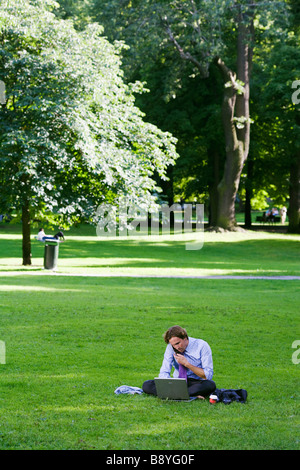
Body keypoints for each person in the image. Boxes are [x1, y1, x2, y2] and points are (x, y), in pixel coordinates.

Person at [142, 325, 216, 399]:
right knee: (147, 385)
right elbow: (164, 371)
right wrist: (165, 384)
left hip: (196, 382)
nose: (176, 347)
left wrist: (187, 364)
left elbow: (208, 375)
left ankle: (173, 394)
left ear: (184, 337)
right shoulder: (171, 347)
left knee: (210, 385)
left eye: (178, 343)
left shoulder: (202, 346)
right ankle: (187, 394)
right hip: (177, 382)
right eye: (173, 345)